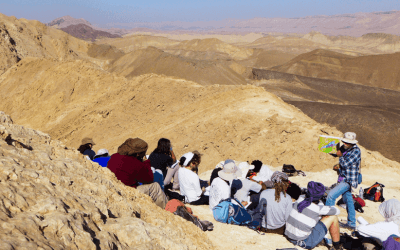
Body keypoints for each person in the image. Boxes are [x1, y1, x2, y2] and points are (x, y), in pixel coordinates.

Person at [107, 138, 168, 209]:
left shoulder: (114, 156)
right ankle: (165, 210)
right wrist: (146, 163)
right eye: (143, 152)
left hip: (114, 187)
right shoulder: (136, 163)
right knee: (156, 187)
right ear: (138, 153)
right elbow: (149, 179)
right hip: (126, 192)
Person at [285, 181, 343, 250]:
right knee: (333, 217)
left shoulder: (300, 199)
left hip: (289, 236)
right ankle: (337, 246)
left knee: (313, 217)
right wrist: (321, 203)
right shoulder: (318, 208)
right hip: (304, 242)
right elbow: (337, 211)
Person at [326, 132, 361, 230]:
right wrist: (331, 150)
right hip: (342, 177)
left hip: (348, 179)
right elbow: (336, 154)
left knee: (331, 196)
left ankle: (329, 221)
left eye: (347, 142)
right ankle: (352, 224)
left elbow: (345, 164)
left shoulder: (356, 151)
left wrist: (340, 156)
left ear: (352, 143)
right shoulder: (344, 147)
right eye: (344, 142)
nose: (345, 144)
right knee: (349, 201)